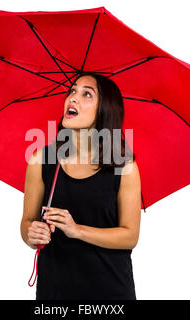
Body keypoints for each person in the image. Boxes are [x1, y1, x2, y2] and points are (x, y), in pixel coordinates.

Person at [20, 72, 141, 300]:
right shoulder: (41, 160)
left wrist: (77, 231)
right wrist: (31, 233)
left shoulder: (125, 167)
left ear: (105, 111)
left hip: (109, 293)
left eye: (87, 94)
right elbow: (26, 223)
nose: (73, 98)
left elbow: (130, 235)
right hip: (54, 293)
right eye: (72, 91)